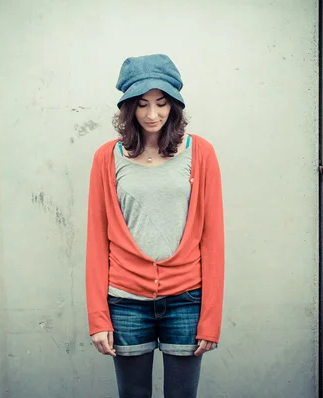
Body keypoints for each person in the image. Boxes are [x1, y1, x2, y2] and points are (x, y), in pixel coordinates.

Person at [85, 53, 225, 398]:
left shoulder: (201, 153)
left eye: (161, 104)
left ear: (174, 105)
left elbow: (213, 239)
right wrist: (98, 316)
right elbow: (95, 240)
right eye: (142, 104)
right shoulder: (107, 157)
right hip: (126, 300)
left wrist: (210, 317)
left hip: (187, 299)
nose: (152, 115)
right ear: (129, 108)